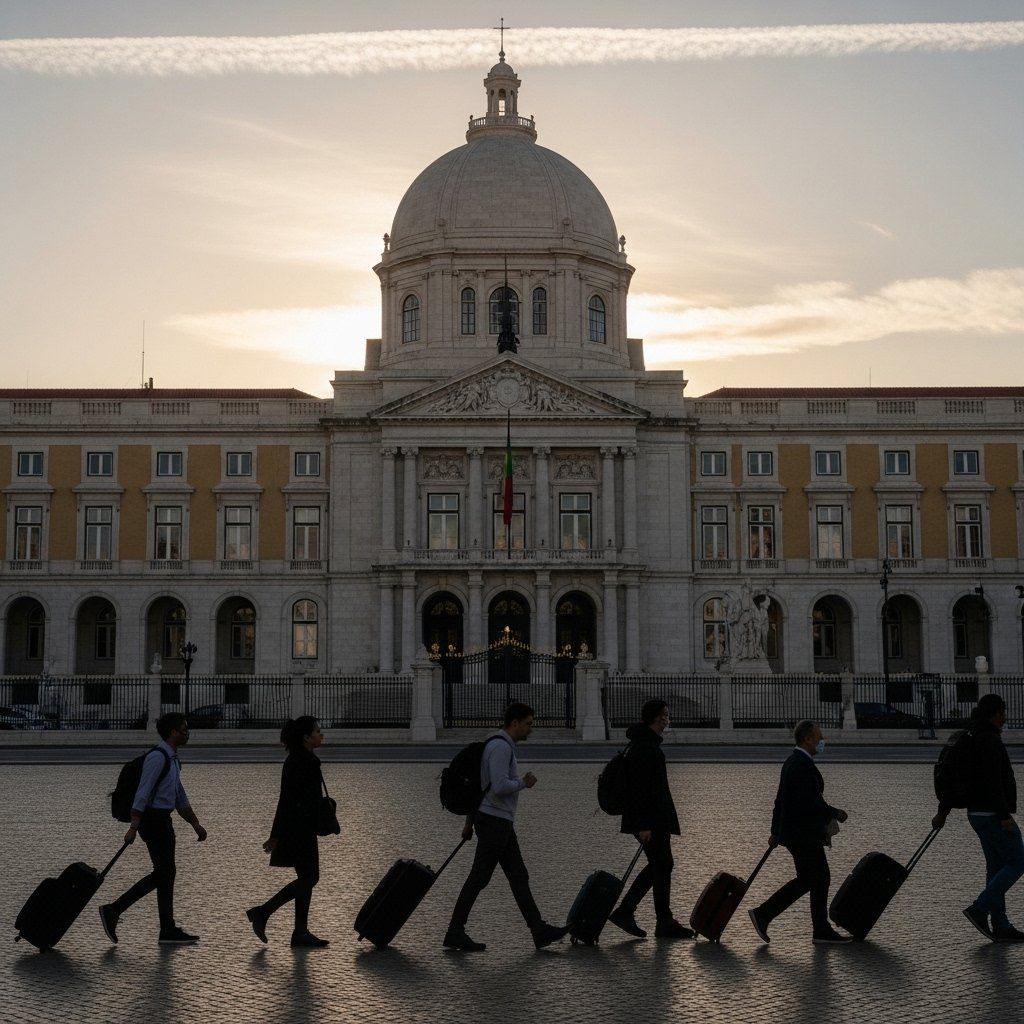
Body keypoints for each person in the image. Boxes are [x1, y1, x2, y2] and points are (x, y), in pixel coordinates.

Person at [444, 702, 570, 952]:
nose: (530, 730)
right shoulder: (501, 748)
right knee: (479, 878)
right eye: (528, 724)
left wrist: (469, 823)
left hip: (497, 821)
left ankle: (538, 930)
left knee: (518, 876)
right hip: (494, 822)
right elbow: (499, 786)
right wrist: (524, 782)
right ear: (515, 723)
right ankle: (455, 930)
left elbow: (481, 787)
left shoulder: (498, 745)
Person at [99, 712, 207, 945]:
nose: (187, 733)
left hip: (162, 820)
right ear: (172, 732)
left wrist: (195, 824)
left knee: (166, 874)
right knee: (164, 873)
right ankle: (115, 910)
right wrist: (133, 827)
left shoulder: (172, 759)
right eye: (183, 729)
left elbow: (179, 796)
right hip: (153, 821)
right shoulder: (158, 758)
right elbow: (143, 793)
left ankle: (165, 928)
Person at [748, 719, 851, 944]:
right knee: (820, 878)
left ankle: (765, 914)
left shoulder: (793, 762)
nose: (822, 741)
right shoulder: (801, 765)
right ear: (807, 739)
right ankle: (818, 930)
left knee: (808, 880)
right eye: (819, 737)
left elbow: (780, 801)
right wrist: (835, 813)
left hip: (795, 833)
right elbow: (810, 802)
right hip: (803, 834)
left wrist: (775, 831)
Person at [934, 693, 1024, 942]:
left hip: (976, 813)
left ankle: (1001, 925)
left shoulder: (971, 736)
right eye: (1003, 713)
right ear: (995, 714)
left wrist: (943, 811)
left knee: (996, 868)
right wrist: (1005, 815)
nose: (1005, 718)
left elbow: (956, 776)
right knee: (1018, 861)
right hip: (993, 814)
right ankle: (980, 908)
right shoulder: (988, 740)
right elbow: (993, 781)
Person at [608, 698, 693, 939]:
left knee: (661, 864)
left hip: (653, 817)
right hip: (649, 820)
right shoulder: (645, 747)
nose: (668, 719)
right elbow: (640, 789)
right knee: (662, 863)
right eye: (665, 715)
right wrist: (643, 825)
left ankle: (637, 913)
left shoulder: (644, 743)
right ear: (657, 717)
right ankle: (651, 918)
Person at [246, 717, 330, 948]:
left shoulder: (294, 759)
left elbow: (286, 799)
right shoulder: (306, 761)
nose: (321, 735)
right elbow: (291, 800)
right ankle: (264, 912)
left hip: (296, 827)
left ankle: (299, 932)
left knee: (307, 878)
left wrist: (277, 833)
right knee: (310, 878)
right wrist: (277, 834)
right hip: (300, 829)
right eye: (317, 731)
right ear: (306, 737)